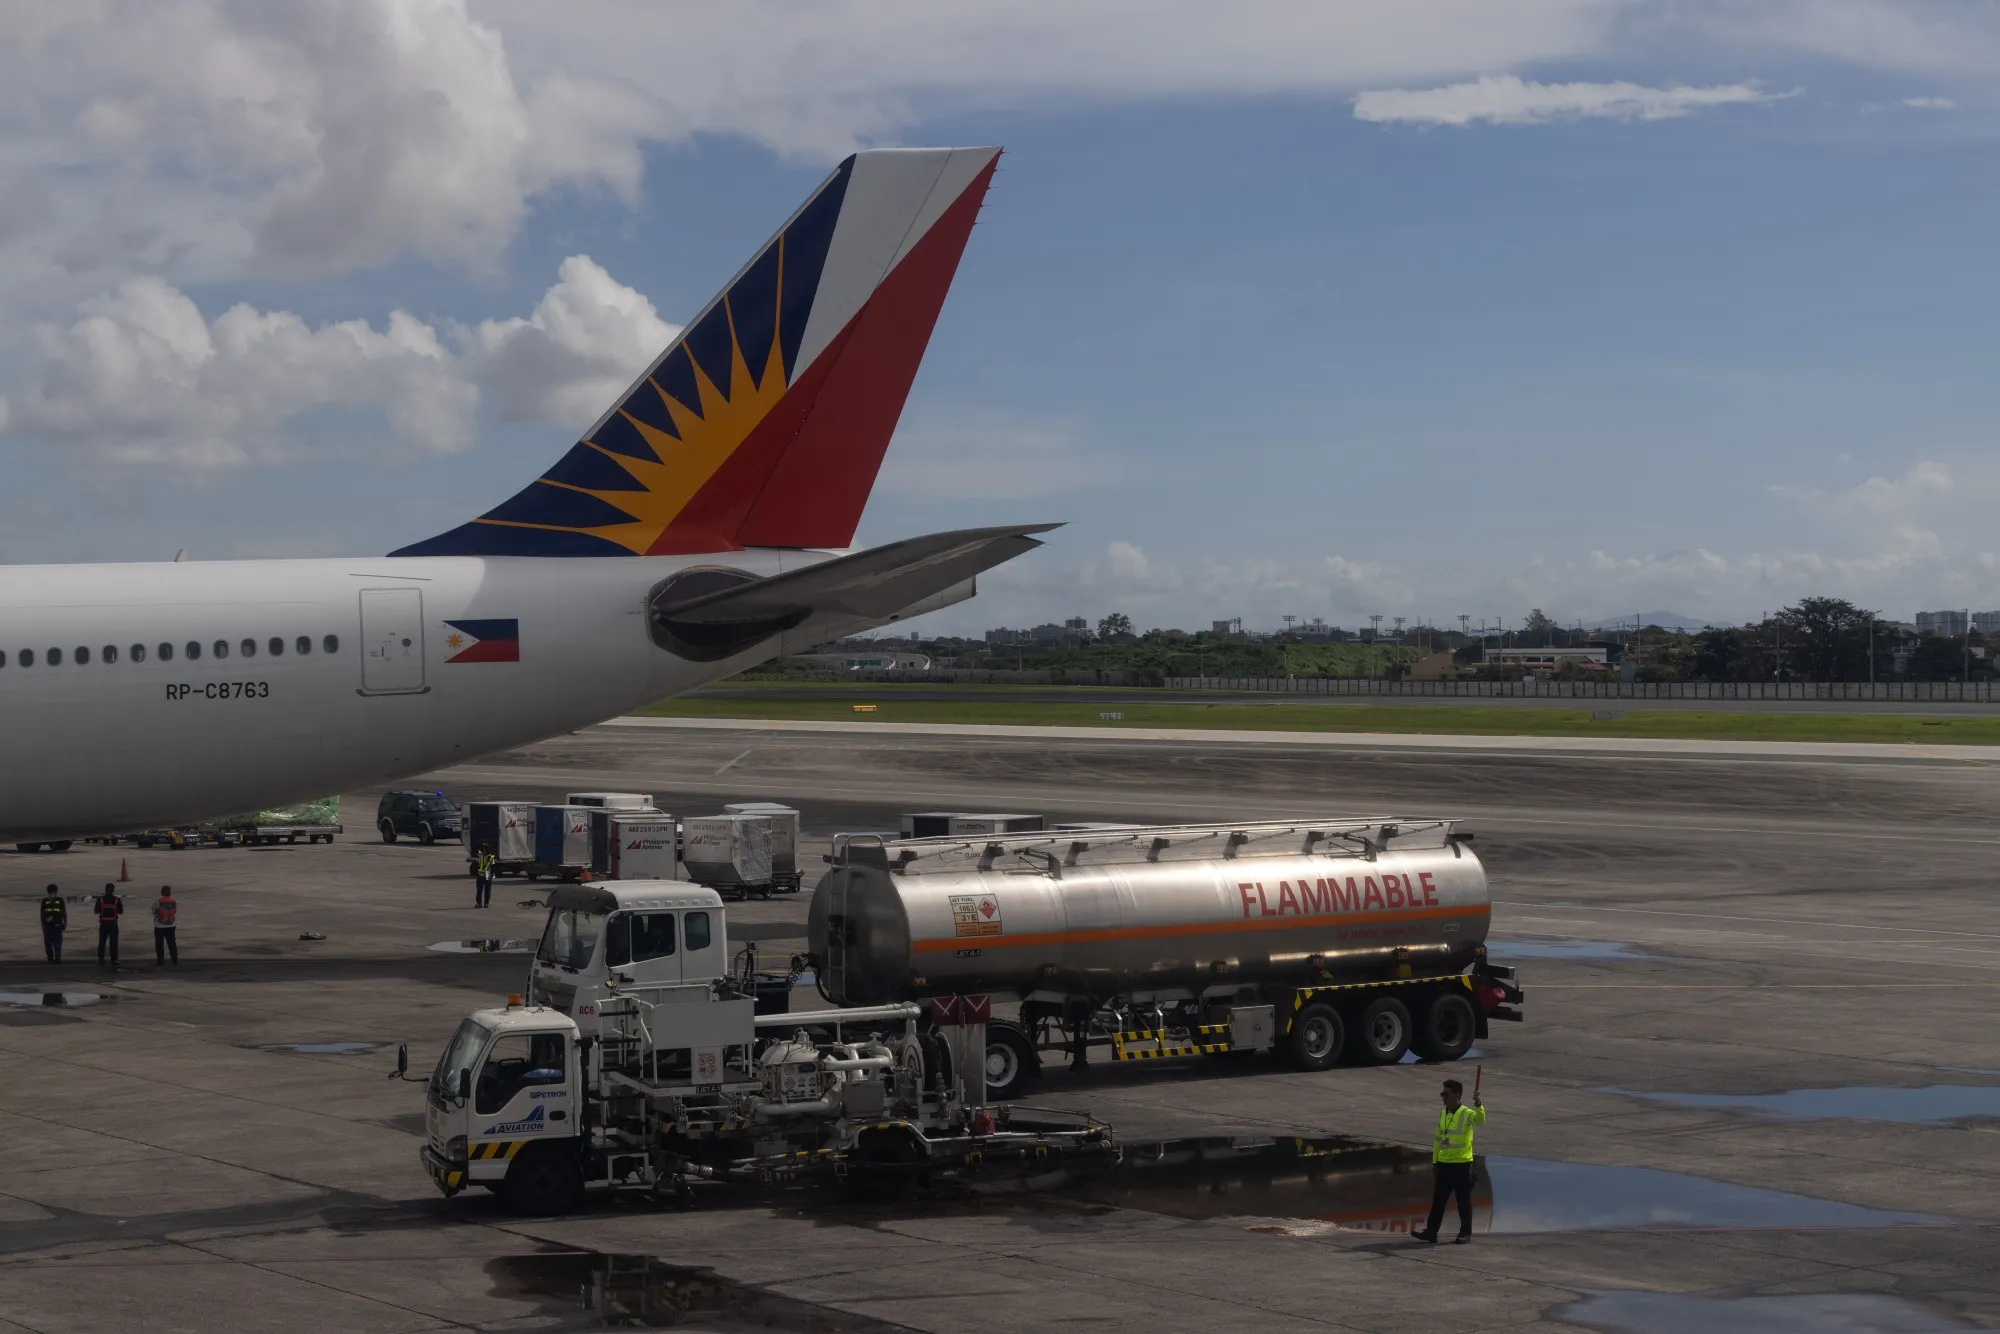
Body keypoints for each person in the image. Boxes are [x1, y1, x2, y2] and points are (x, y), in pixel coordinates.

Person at [1415, 1076, 1486, 1244]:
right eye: (1442, 1093)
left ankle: (1465, 1233)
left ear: (1456, 1095)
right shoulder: (1443, 1114)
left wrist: (1478, 1104)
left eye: (1445, 1094)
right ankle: (1431, 1232)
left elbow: (1480, 1120)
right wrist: (1435, 1162)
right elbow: (1438, 1140)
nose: (1442, 1097)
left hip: (1461, 1165)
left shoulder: (1467, 1113)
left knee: (1463, 1201)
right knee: (1438, 1201)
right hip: (1444, 1164)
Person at [94, 882, 123, 967]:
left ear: (105, 890)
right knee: (114, 942)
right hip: (113, 923)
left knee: (102, 942)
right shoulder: (117, 900)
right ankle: (114, 960)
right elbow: (121, 911)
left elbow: (96, 911)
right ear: (113, 890)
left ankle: (101, 960)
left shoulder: (100, 899)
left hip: (104, 923)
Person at [152, 885, 179, 965]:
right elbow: (174, 912)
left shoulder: (158, 901)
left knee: (159, 944)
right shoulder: (173, 902)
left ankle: (160, 960)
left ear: (161, 892)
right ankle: (174, 959)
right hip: (171, 925)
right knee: (172, 943)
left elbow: (153, 912)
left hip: (159, 925)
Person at [39, 884, 66, 964]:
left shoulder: (60, 900)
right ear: (48, 892)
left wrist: (65, 923)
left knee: (58, 943)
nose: (53, 893)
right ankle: (50, 957)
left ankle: (57, 958)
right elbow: (42, 915)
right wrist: (43, 926)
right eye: (51, 892)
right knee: (48, 944)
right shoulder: (44, 901)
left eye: (54, 892)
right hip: (48, 926)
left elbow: (64, 913)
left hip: (57, 925)